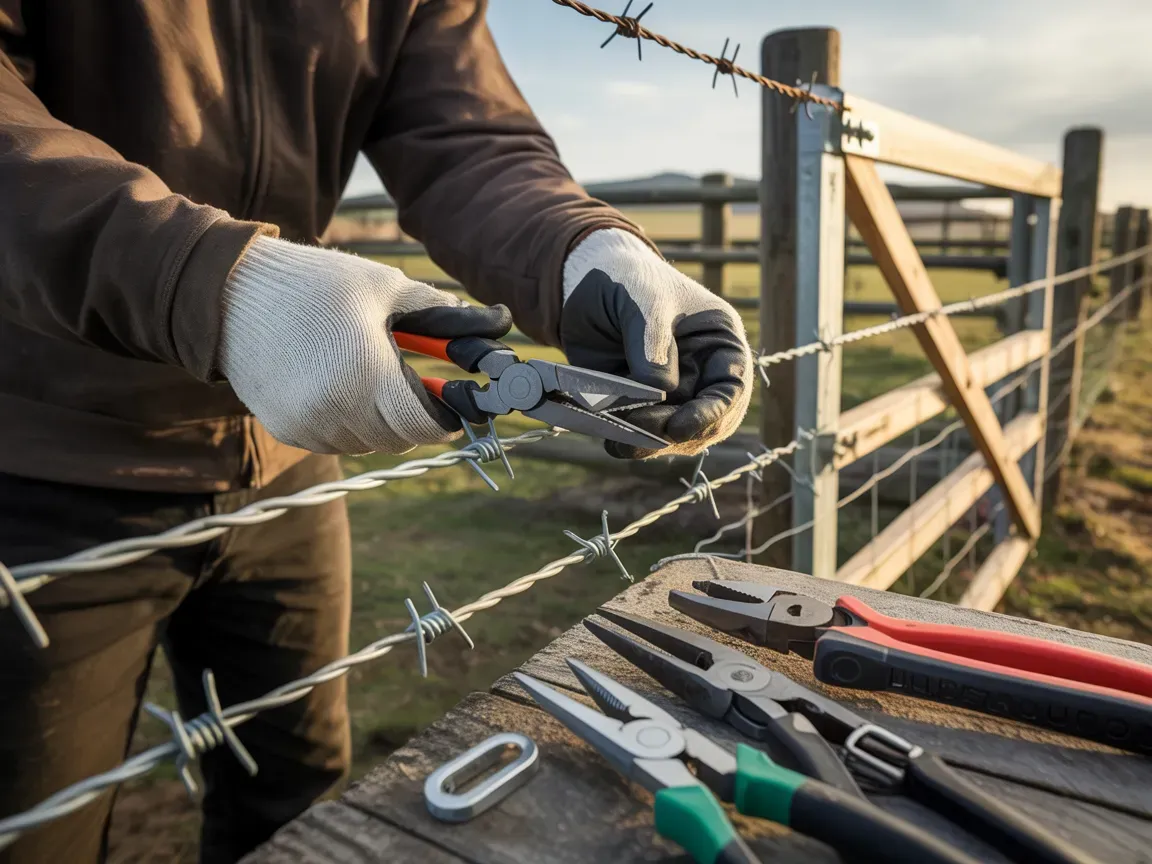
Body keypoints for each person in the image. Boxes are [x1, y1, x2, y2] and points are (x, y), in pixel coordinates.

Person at [0, 2, 752, 862]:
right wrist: (209, 284)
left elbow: (465, 138)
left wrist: (582, 248)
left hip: (288, 462)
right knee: (34, 830)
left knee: (301, 801)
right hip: (45, 461)